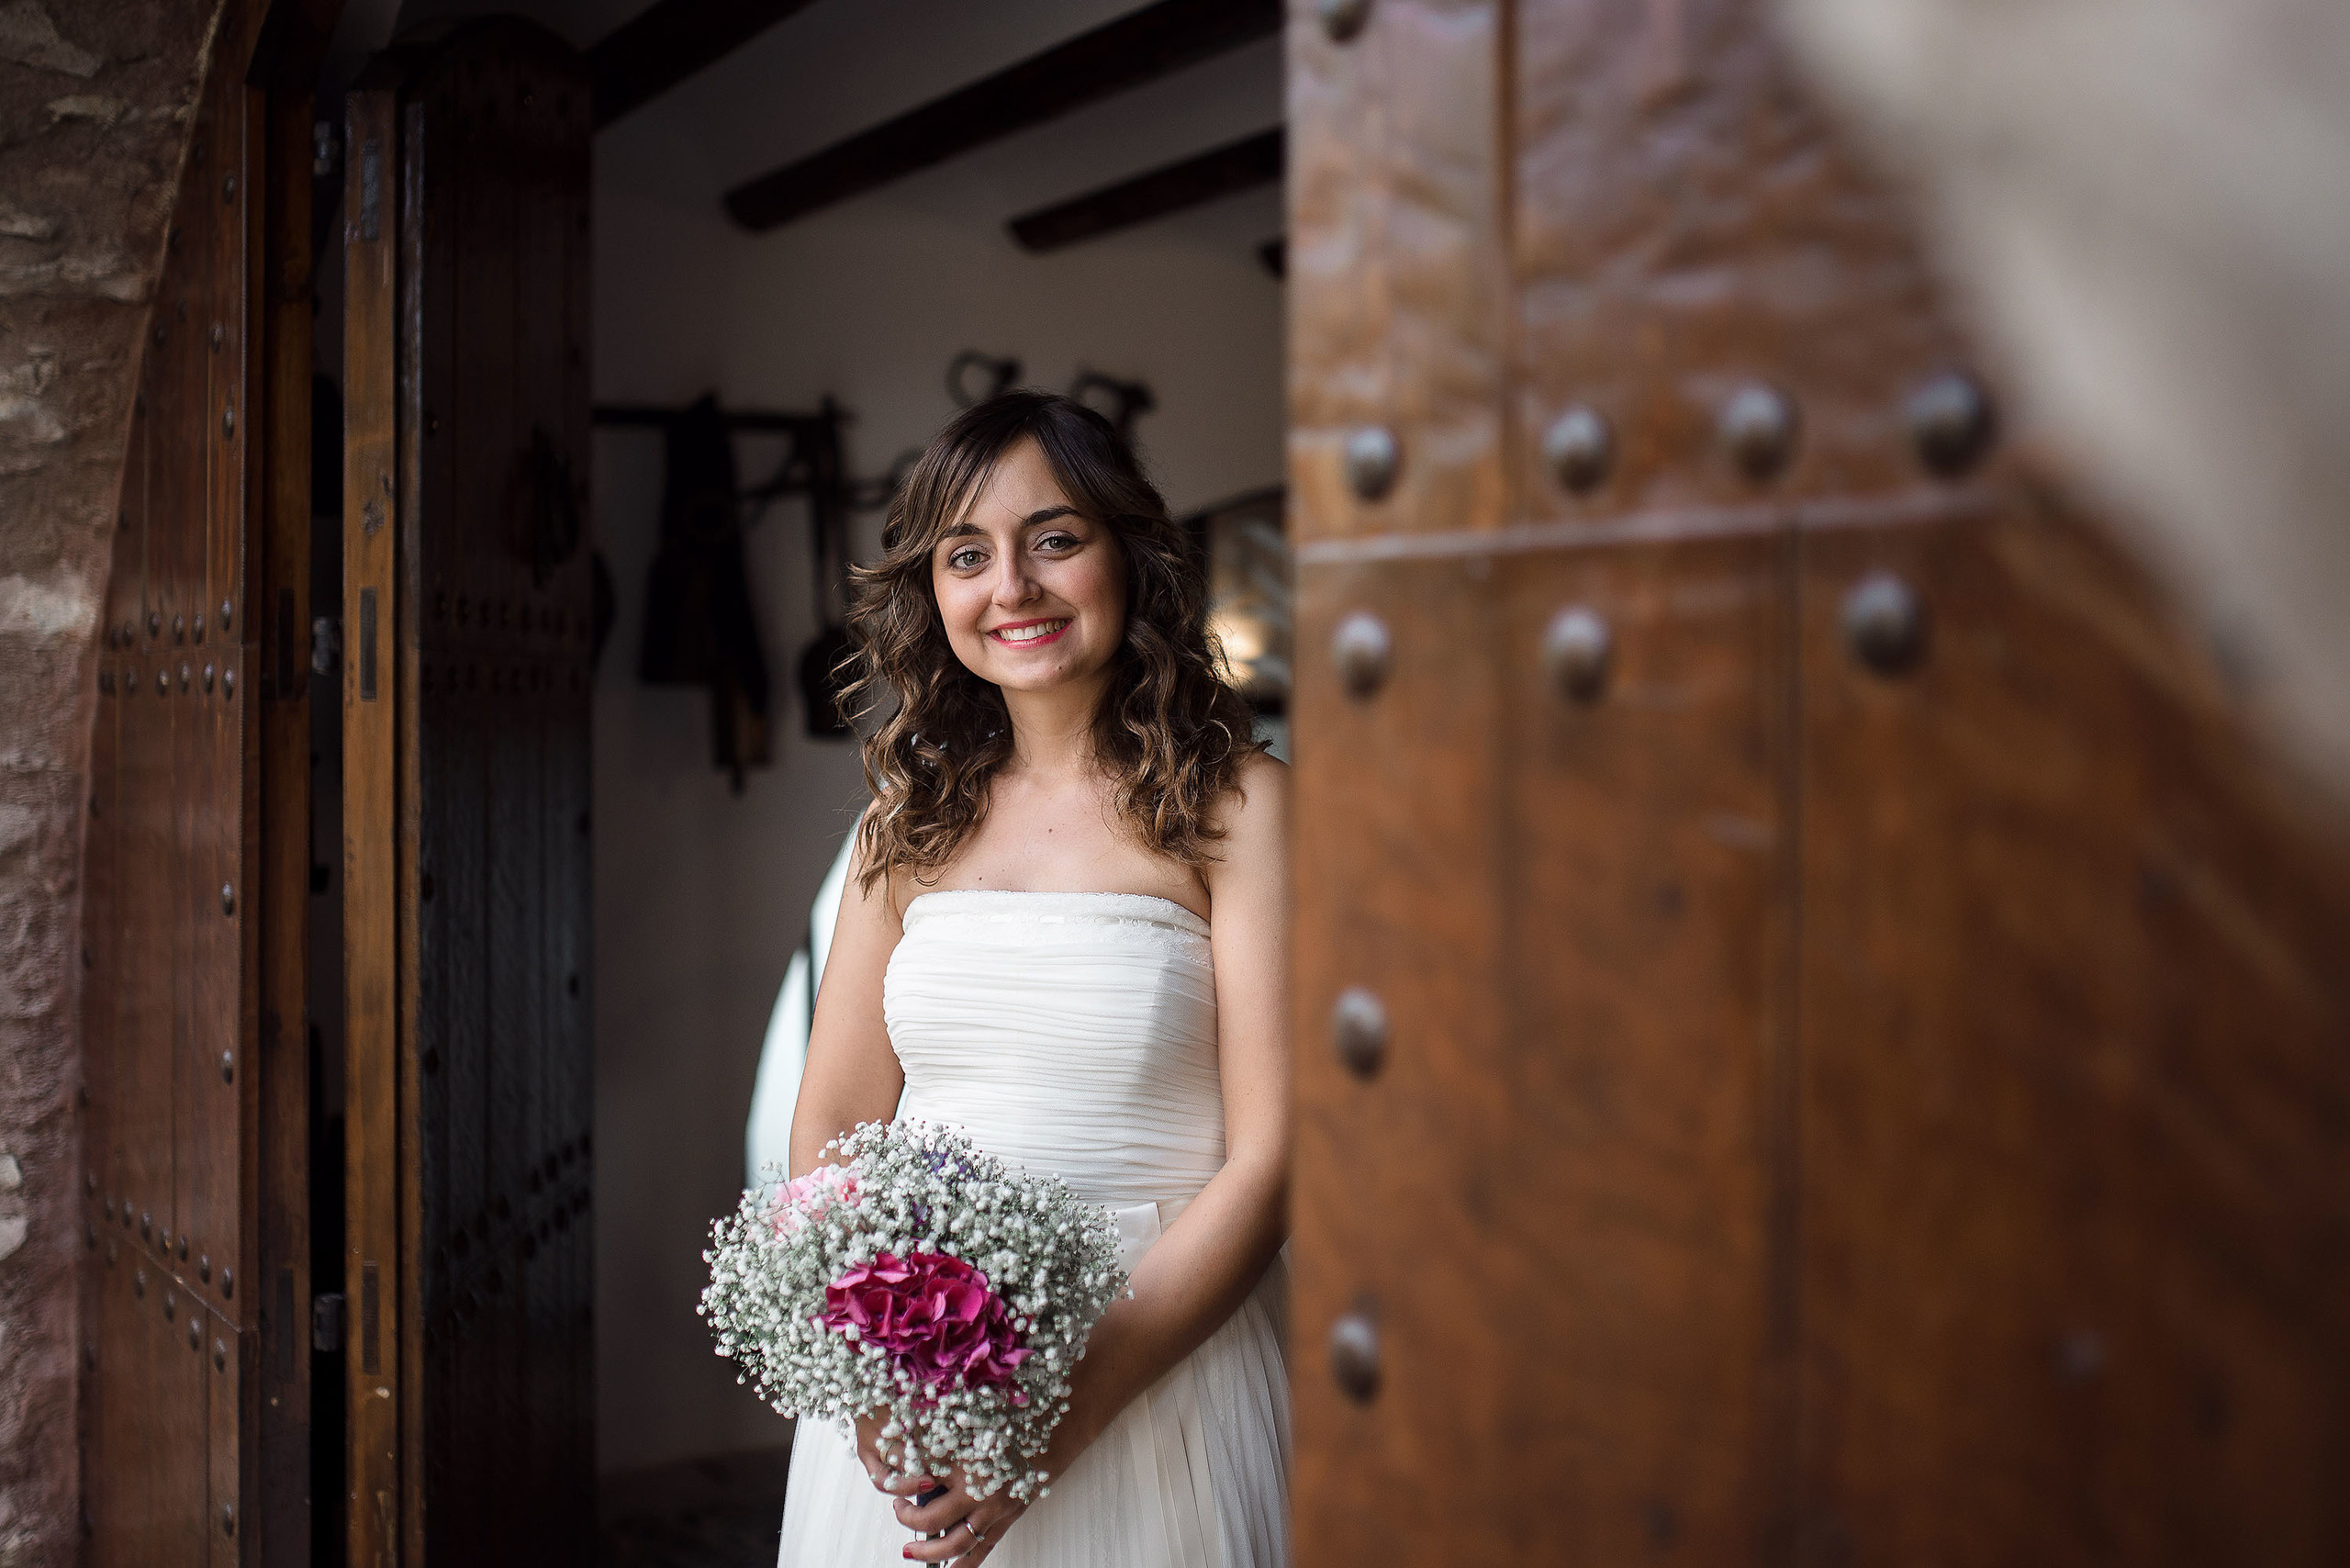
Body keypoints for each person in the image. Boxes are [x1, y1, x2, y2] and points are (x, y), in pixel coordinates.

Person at [778, 391, 1292, 1568]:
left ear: (1130, 556)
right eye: (968, 555)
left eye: (1054, 539)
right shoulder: (900, 827)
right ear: (934, 594)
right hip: (918, 1392)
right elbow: (832, 1124)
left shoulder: (1244, 807)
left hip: (1162, 1378)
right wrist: (865, 1377)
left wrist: (1060, 1414)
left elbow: (1274, 1160)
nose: (1011, 586)